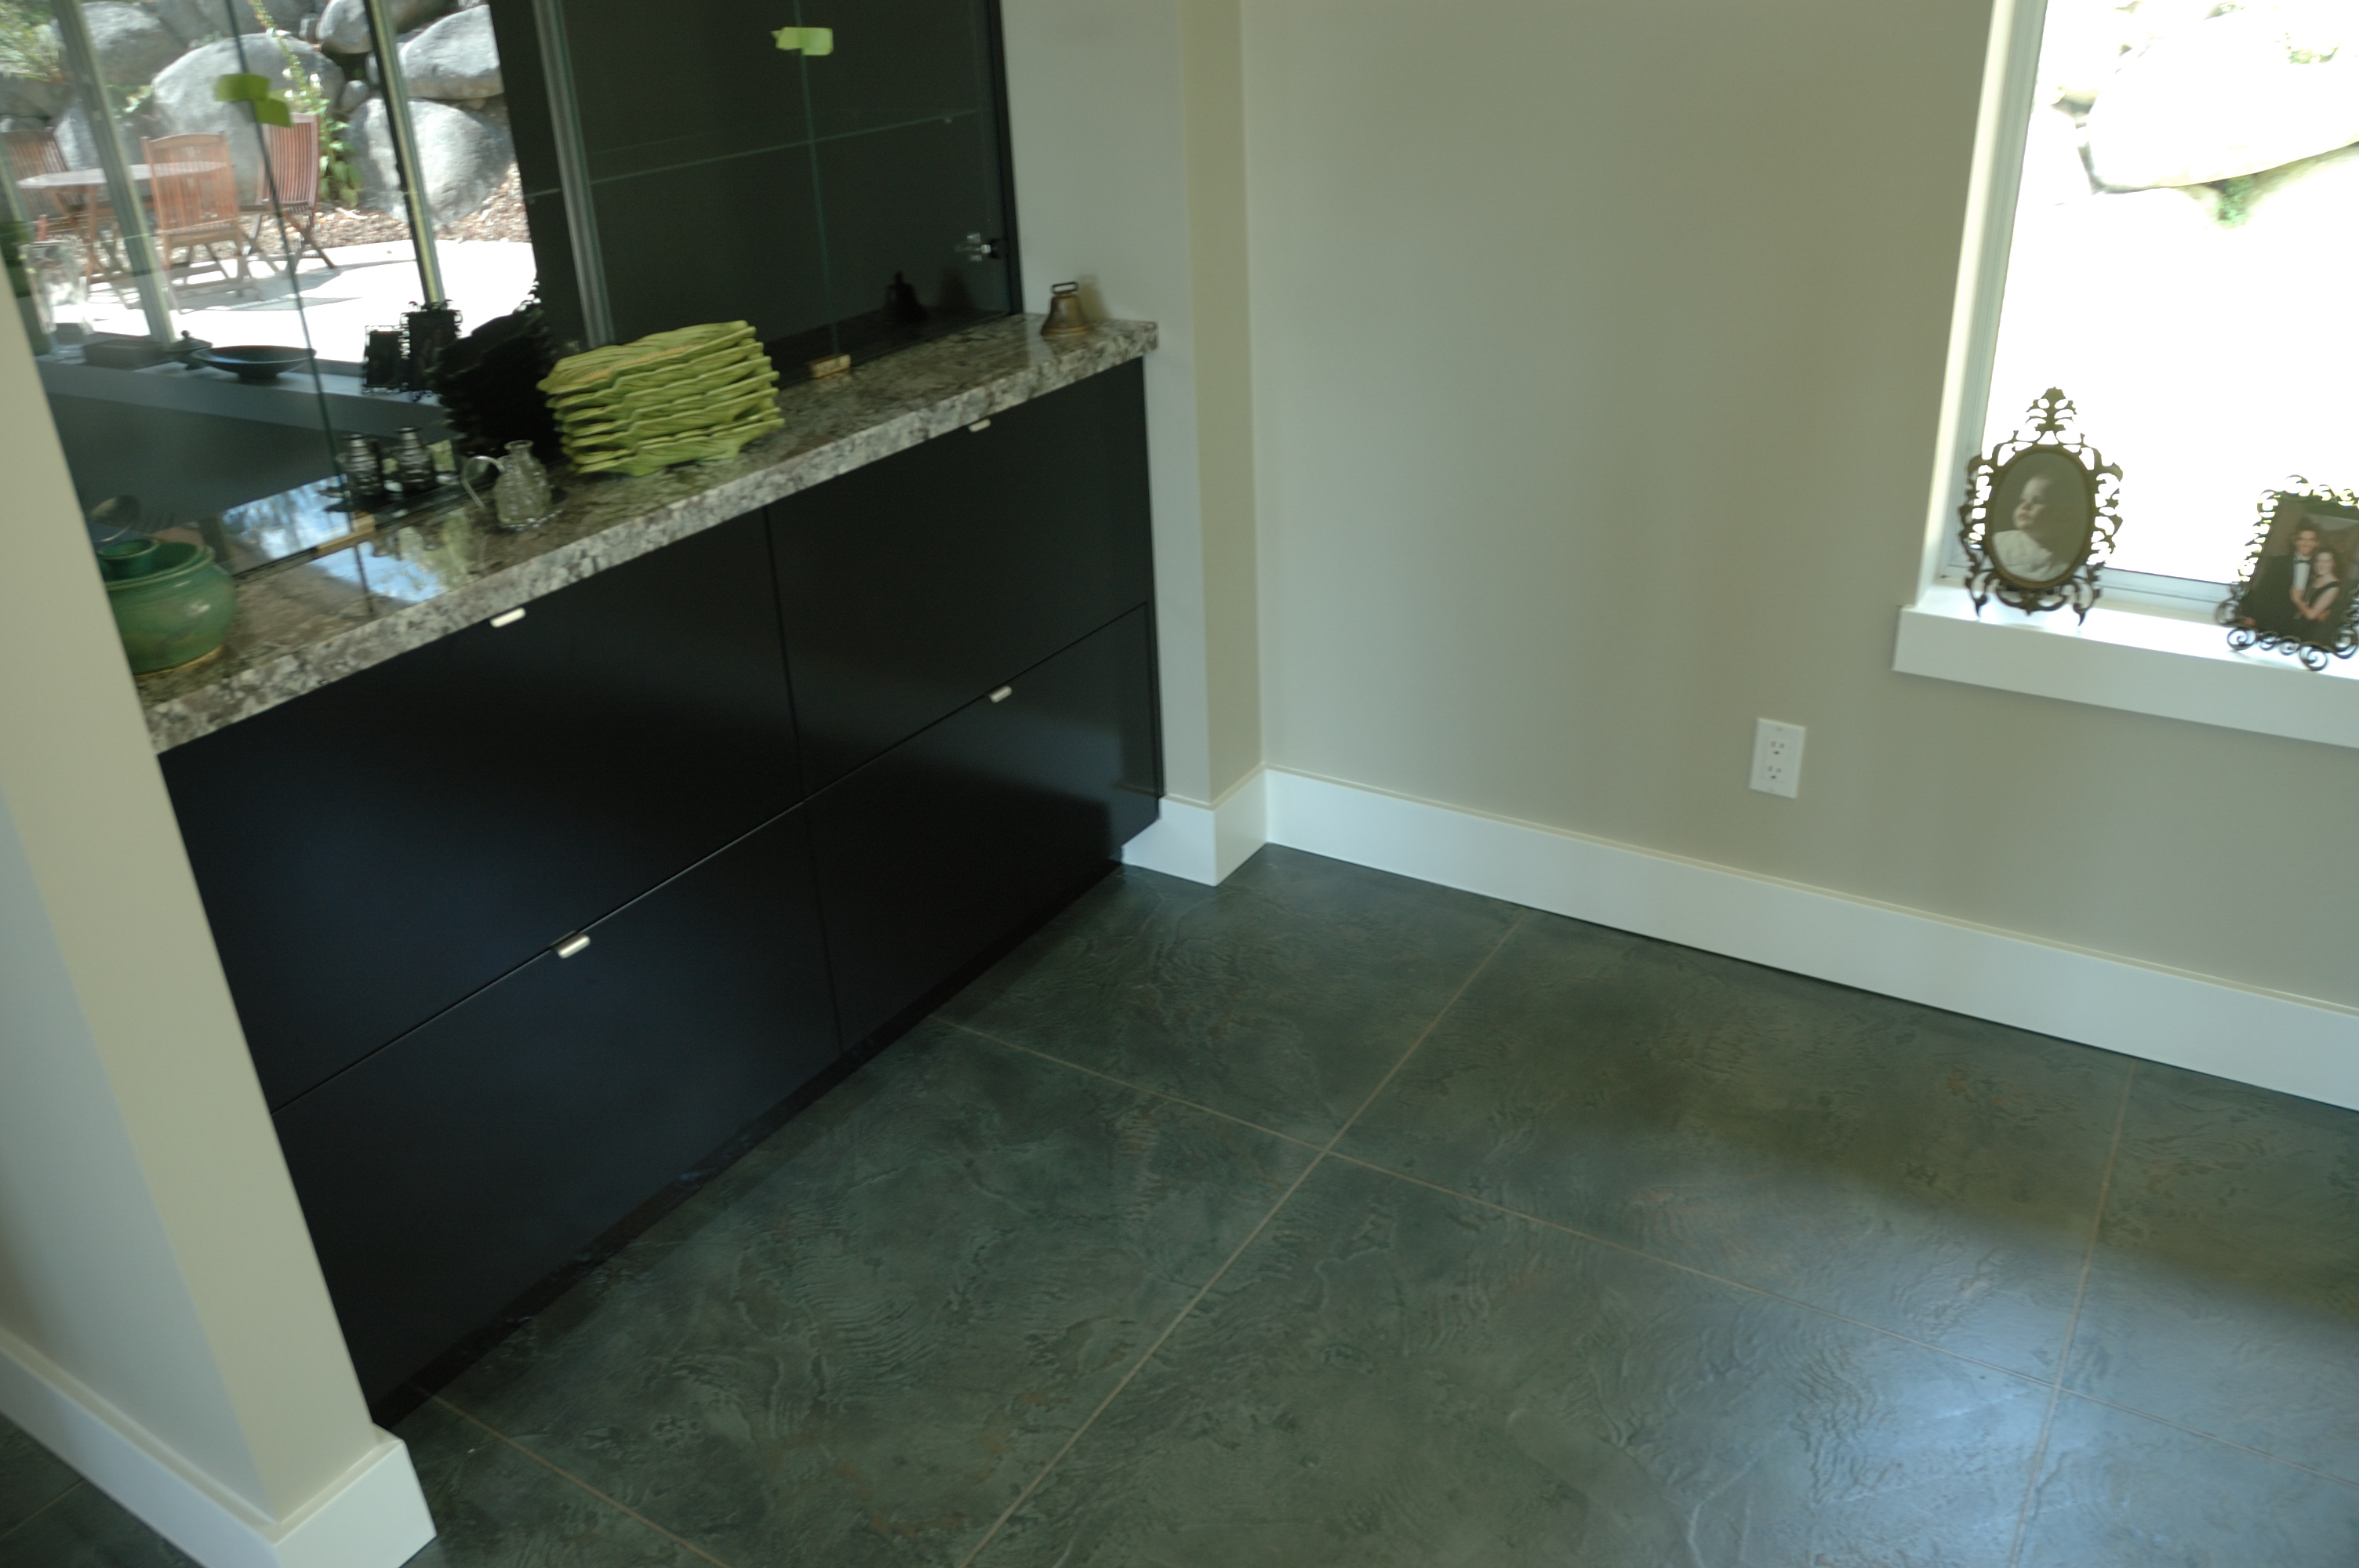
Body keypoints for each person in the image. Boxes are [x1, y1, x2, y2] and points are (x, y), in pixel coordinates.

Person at [1991, 467, 2081, 583]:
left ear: (2060, 513)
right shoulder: (1999, 541)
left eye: (2037, 501)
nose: (2025, 506)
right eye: (2022, 500)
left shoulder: (2064, 559)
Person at [2243, 520, 2321, 640]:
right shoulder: (2278, 562)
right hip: (2269, 618)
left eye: (2311, 540)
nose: (2306, 543)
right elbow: (2261, 590)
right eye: (2302, 539)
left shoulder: (2320, 567)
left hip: (2299, 625)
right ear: (2295, 541)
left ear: (2317, 543)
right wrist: (2250, 615)